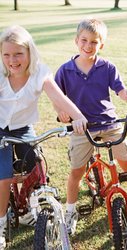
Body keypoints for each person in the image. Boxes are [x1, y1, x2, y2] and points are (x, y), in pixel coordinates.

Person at [54, 18, 127, 235]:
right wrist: (61, 112)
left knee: (126, 160)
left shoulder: (107, 67)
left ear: (101, 45)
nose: (88, 46)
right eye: (84, 41)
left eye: (94, 42)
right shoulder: (65, 70)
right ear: (76, 41)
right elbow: (57, 97)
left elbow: (121, 90)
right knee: (76, 171)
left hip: (108, 123)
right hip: (82, 128)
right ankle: (70, 210)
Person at [0, 25, 87, 249]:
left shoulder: (40, 72)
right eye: (6, 54)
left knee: (37, 169)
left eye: (18, 53)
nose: (12, 60)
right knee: (4, 175)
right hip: (0, 129)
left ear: (30, 52)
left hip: (22, 127)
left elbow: (57, 95)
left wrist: (77, 116)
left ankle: (31, 209)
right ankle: (0, 223)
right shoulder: (1, 73)